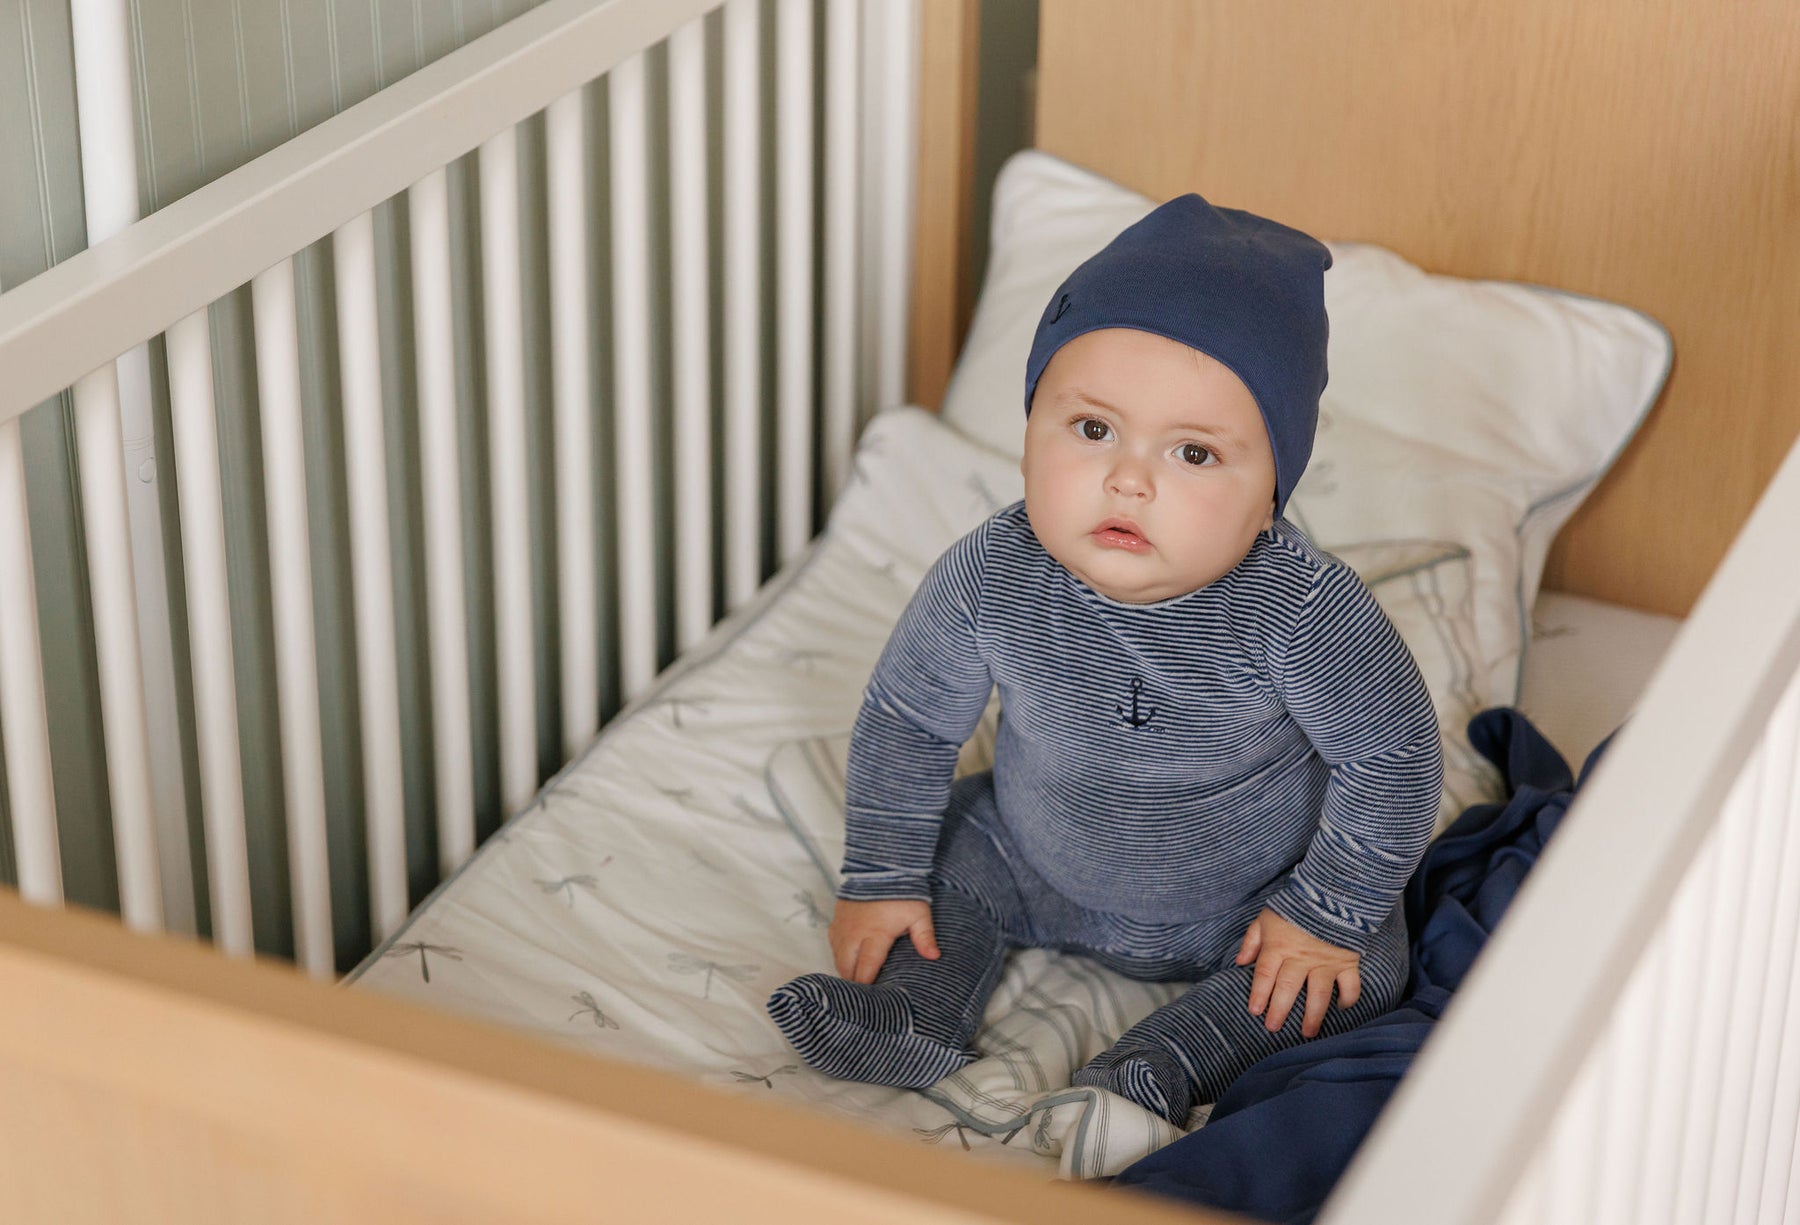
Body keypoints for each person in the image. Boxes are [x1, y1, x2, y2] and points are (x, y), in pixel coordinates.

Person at [766, 193, 1443, 1126]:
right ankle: (912, 1012)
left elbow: (1393, 758)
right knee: (947, 848)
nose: (1129, 478)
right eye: (1092, 430)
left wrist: (1321, 911)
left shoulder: (1301, 609)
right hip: (1031, 859)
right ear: (1028, 435)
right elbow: (910, 720)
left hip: (1251, 899)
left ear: (1269, 498)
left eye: (1194, 453)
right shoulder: (993, 572)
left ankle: (1162, 1062)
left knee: (1362, 964)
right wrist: (880, 875)